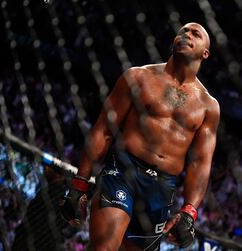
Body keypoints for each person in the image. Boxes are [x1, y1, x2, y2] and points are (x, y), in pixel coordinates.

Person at [60, 22, 220, 251]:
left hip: (162, 188)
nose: (186, 35)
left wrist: (189, 212)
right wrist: (79, 183)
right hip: (123, 171)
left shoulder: (208, 106)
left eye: (195, 34)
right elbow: (103, 129)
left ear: (205, 53)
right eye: (183, 31)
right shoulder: (138, 77)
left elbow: (200, 162)